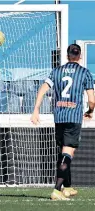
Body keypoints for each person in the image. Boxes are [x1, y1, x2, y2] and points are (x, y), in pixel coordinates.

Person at [31, 44, 95, 200]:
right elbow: (92, 100)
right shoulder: (84, 73)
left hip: (59, 117)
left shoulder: (56, 71)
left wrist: (36, 110)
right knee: (68, 153)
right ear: (79, 56)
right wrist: (89, 111)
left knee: (64, 152)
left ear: (67, 56)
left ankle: (67, 187)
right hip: (73, 118)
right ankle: (57, 190)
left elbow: (43, 88)